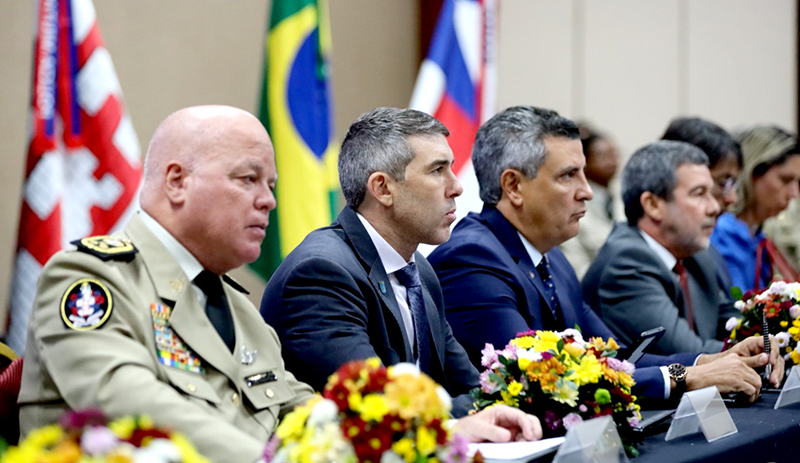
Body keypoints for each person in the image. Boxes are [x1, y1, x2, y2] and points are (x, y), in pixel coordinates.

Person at [18, 106, 540, 463]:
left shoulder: (235, 307)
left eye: (270, 184)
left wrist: (416, 438)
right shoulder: (89, 278)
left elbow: (298, 409)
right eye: (248, 179)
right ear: (177, 181)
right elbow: (129, 404)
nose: (268, 200)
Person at [427, 106, 782, 406]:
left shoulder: (550, 257)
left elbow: (616, 356)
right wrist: (686, 377)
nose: (587, 192)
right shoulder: (472, 260)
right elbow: (544, 381)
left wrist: (712, 360)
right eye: (569, 176)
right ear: (513, 186)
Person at [260, 107, 480, 418]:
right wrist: (467, 419)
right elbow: (375, 407)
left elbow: (472, 390)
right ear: (382, 189)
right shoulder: (321, 274)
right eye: (437, 170)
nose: (456, 187)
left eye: (451, 168)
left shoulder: (418, 270)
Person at [583, 140, 740, 354]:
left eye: (711, 193)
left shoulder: (693, 253)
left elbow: (734, 322)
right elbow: (690, 355)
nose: (714, 207)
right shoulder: (626, 263)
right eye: (699, 193)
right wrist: (762, 351)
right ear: (653, 205)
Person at [711, 125, 800, 291]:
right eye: (785, 180)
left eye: (797, 183)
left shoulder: (758, 237)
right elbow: (736, 302)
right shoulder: (719, 233)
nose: (794, 193)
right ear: (752, 172)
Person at [661, 117, 742, 293]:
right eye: (722, 183)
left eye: (733, 184)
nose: (732, 198)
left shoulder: (708, 254)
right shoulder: (633, 261)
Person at [559, 124, 620, 279]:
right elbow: (578, 269)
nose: (612, 161)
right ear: (584, 162)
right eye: (603, 156)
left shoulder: (624, 196)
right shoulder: (571, 206)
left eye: (614, 154)